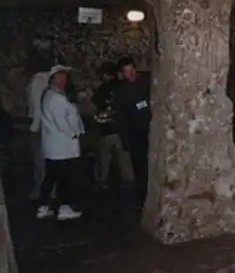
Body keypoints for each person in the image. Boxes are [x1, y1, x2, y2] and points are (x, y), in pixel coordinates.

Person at [37, 65, 84, 220]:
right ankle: (64, 207)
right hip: (63, 146)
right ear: (52, 79)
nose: (63, 80)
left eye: (65, 77)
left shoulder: (50, 95)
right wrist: (73, 133)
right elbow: (61, 122)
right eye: (59, 77)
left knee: (52, 176)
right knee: (65, 177)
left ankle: (44, 206)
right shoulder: (56, 98)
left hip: (55, 146)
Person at [113, 57, 152, 209]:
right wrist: (125, 139)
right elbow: (120, 117)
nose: (129, 74)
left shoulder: (147, 82)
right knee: (140, 167)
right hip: (135, 134)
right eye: (125, 71)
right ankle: (142, 197)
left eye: (131, 70)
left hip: (150, 130)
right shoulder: (121, 91)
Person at [92, 61, 134, 189]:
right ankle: (128, 183)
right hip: (122, 129)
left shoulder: (102, 89)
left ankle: (102, 181)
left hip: (107, 129)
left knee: (104, 159)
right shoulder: (123, 87)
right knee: (124, 160)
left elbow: (95, 104)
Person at [25, 61, 51, 201]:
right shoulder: (48, 79)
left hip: (39, 124)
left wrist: (34, 126)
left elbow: (37, 106)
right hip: (47, 124)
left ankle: (40, 190)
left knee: (40, 159)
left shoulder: (38, 80)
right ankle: (48, 190)